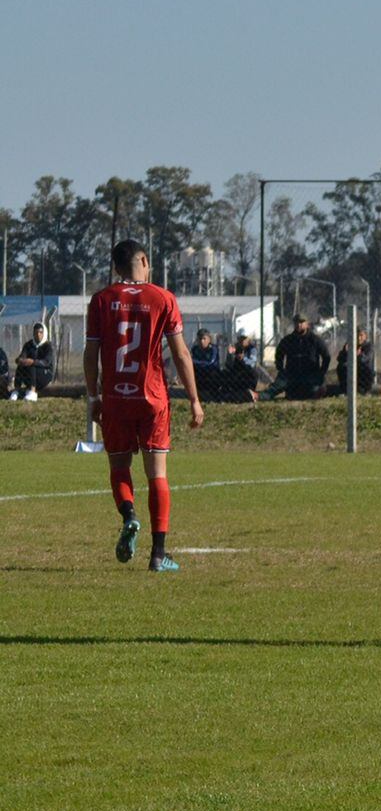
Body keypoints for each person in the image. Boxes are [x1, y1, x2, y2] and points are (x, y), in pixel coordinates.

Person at [84, 239, 205, 572]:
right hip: (152, 398)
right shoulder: (163, 298)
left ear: (116, 266)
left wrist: (94, 397)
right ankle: (158, 554)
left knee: (119, 467)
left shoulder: (101, 300)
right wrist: (194, 399)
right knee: (157, 475)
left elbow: (91, 353)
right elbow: (180, 354)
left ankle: (129, 515)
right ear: (143, 260)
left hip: (116, 398)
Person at [262, 314, 330, 400]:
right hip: (292, 374)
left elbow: (326, 356)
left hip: (310, 374)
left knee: (314, 390)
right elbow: (279, 354)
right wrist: (281, 369)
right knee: (277, 387)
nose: (299, 325)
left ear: (307, 324)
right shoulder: (288, 340)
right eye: (297, 322)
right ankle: (257, 397)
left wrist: (321, 372)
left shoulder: (315, 340)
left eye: (302, 322)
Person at [12, 322, 55, 400]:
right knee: (21, 366)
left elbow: (46, 362)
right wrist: (20, 360)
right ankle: (16, 391)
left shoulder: (48, 346)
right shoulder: (28, 345)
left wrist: (33, 362)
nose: (38, 334)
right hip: (30, 376)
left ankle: (32, 392)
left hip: (45, 375)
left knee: (32, 364)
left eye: (40, 332)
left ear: (44, 333)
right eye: (36, 332)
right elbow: (21, 357)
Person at [335, 328, 378, 395]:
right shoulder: (349, 345)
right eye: (357, 335)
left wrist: (358, 355)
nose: (359, 338)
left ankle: (365, 390)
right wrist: (345, 352)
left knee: (367, 369)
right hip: (350, 369)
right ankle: (345, 390)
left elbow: (365, 359)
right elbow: (340, 359)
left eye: (361, 335)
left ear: (365, 336)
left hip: (362, 371)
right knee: (341, 367)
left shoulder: (368, 346)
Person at [224, 333, 260, 401]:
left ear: (248, 339)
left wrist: (242, 358)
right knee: (225, 372)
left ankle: (250, 391)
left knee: (254, 373)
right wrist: (229, 354)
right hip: (236, 371)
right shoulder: (235, 348)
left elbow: (252, 363)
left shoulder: (252, 349)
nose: (241, 341)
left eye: (244, 339)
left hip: (246, 372)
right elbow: (228, 364)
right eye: (240, 339)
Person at [191, 328, 222, 400]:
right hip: (199, 371)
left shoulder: (213, 349)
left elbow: (211, 362)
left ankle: (214, 394)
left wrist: (197, 362)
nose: (202, 341)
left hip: (210, 372)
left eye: (204, 339)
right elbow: (191, 361)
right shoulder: (195, 349)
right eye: (200, 339)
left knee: (214, 373)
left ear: (209, 339)